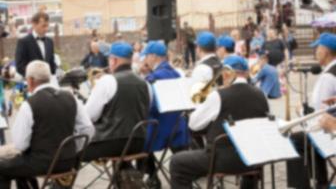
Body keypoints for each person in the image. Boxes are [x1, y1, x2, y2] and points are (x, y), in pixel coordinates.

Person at [170, 55, 269, 189]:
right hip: (254, 159)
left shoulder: (218, 96)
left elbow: (193, 124)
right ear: (246, 73)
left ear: (227, 73)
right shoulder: (261, 94)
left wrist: (204, 103)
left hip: (223, 159)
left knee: (177, 162)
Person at [0, 61, 94, 189]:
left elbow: (20, 145)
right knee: (17, 165)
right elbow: (88, 129)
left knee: (5, 165)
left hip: (43, 164)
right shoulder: (71, 98)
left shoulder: (29, 104)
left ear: (31, 80)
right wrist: (71, 149)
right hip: (70, 161)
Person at [84, 42, 151, 162]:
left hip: (111, 143)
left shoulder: (107, 81)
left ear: (114, 60)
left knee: (70, 149)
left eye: (109, 59)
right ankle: (124, 174)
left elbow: (89, 116)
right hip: (139, 142)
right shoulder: (145, 83)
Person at [287, 33, 336, 189]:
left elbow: (319, 114)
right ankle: (321, 181)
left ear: (325, 51)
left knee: (295, 139)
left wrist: (301, 113)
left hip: (330, 131)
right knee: (307, 138)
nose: (315, 52)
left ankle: (304, 186)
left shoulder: (328, 76)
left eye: (317, 48)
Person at [139, 41, 189, 188]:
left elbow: (147, 106)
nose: (145, 60)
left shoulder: (153, 78)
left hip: (158, 131)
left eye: (146, 56)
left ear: (153, 56)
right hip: (179, 130)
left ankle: (151, 176)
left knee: (136, 137)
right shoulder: (176, 74)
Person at [15, 12, 56, 77]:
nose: (46, 29)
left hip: (48, 82)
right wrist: (34, 78)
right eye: (43, 26)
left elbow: (52, 64)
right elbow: (20, 66)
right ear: (34, 24)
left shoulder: (49, 42)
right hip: (32, 83)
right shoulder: (23, 42)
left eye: (47, 26)